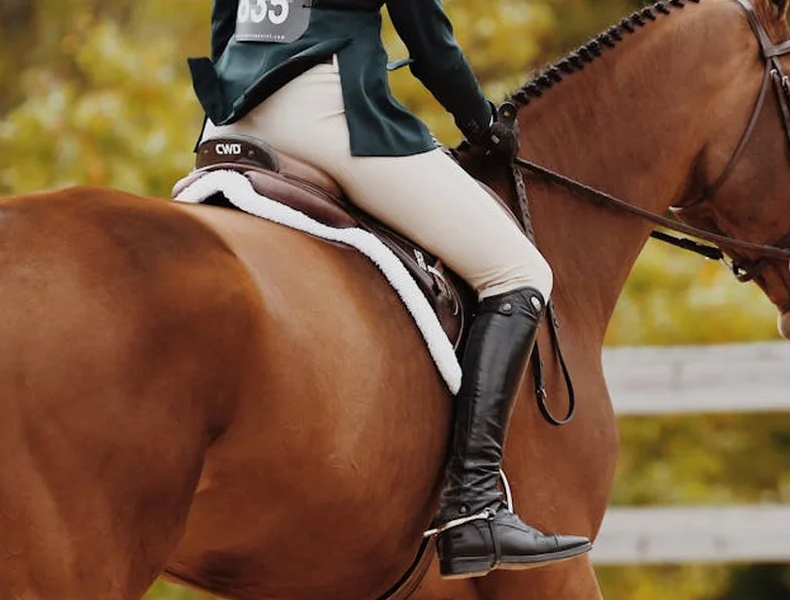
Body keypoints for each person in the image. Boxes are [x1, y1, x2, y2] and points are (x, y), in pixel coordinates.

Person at [187, 0, 592, 580]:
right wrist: (482, 124)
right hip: (324, 109)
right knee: (518, 272)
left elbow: (225, 21)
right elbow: (428, 39)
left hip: (227, 117)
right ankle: (473, 505)